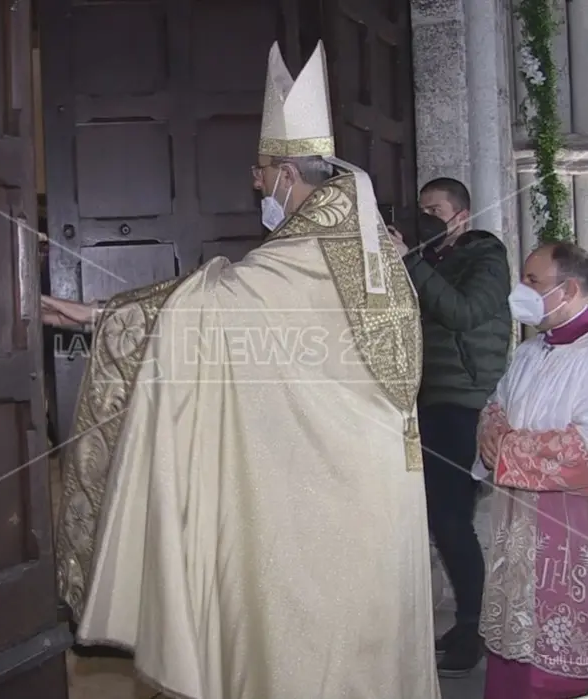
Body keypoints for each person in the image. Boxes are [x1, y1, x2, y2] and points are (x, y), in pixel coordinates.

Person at [46, 41, 440, 699]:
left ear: (288, 172)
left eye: (260, 171)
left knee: (311, 646)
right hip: (372, 487)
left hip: (325, 500)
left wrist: (99, 316)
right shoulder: (362, 243)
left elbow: (209, 307)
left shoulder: (307, 252)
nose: (256, 184)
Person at [390, 178, 513, 677]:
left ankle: (472, 627)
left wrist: (411, 261)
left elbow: (463, 314)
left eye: (435, 210)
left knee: (452, 519)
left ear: (460, 216)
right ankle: (462, 623)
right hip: (427, 400)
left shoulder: (485, 257)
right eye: (422, 211)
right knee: (439, 519)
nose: (428, 219)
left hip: (463, 402)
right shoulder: (434, 261)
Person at [476, 242, 588, 699]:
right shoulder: (529, 351)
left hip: (570, 524)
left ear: (571, 288)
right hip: (516, 523)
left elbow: (582, 446)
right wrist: (491, 430)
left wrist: (507, 448)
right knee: (514, 640)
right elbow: (496, 405)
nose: (521, 291)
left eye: (533, 282)